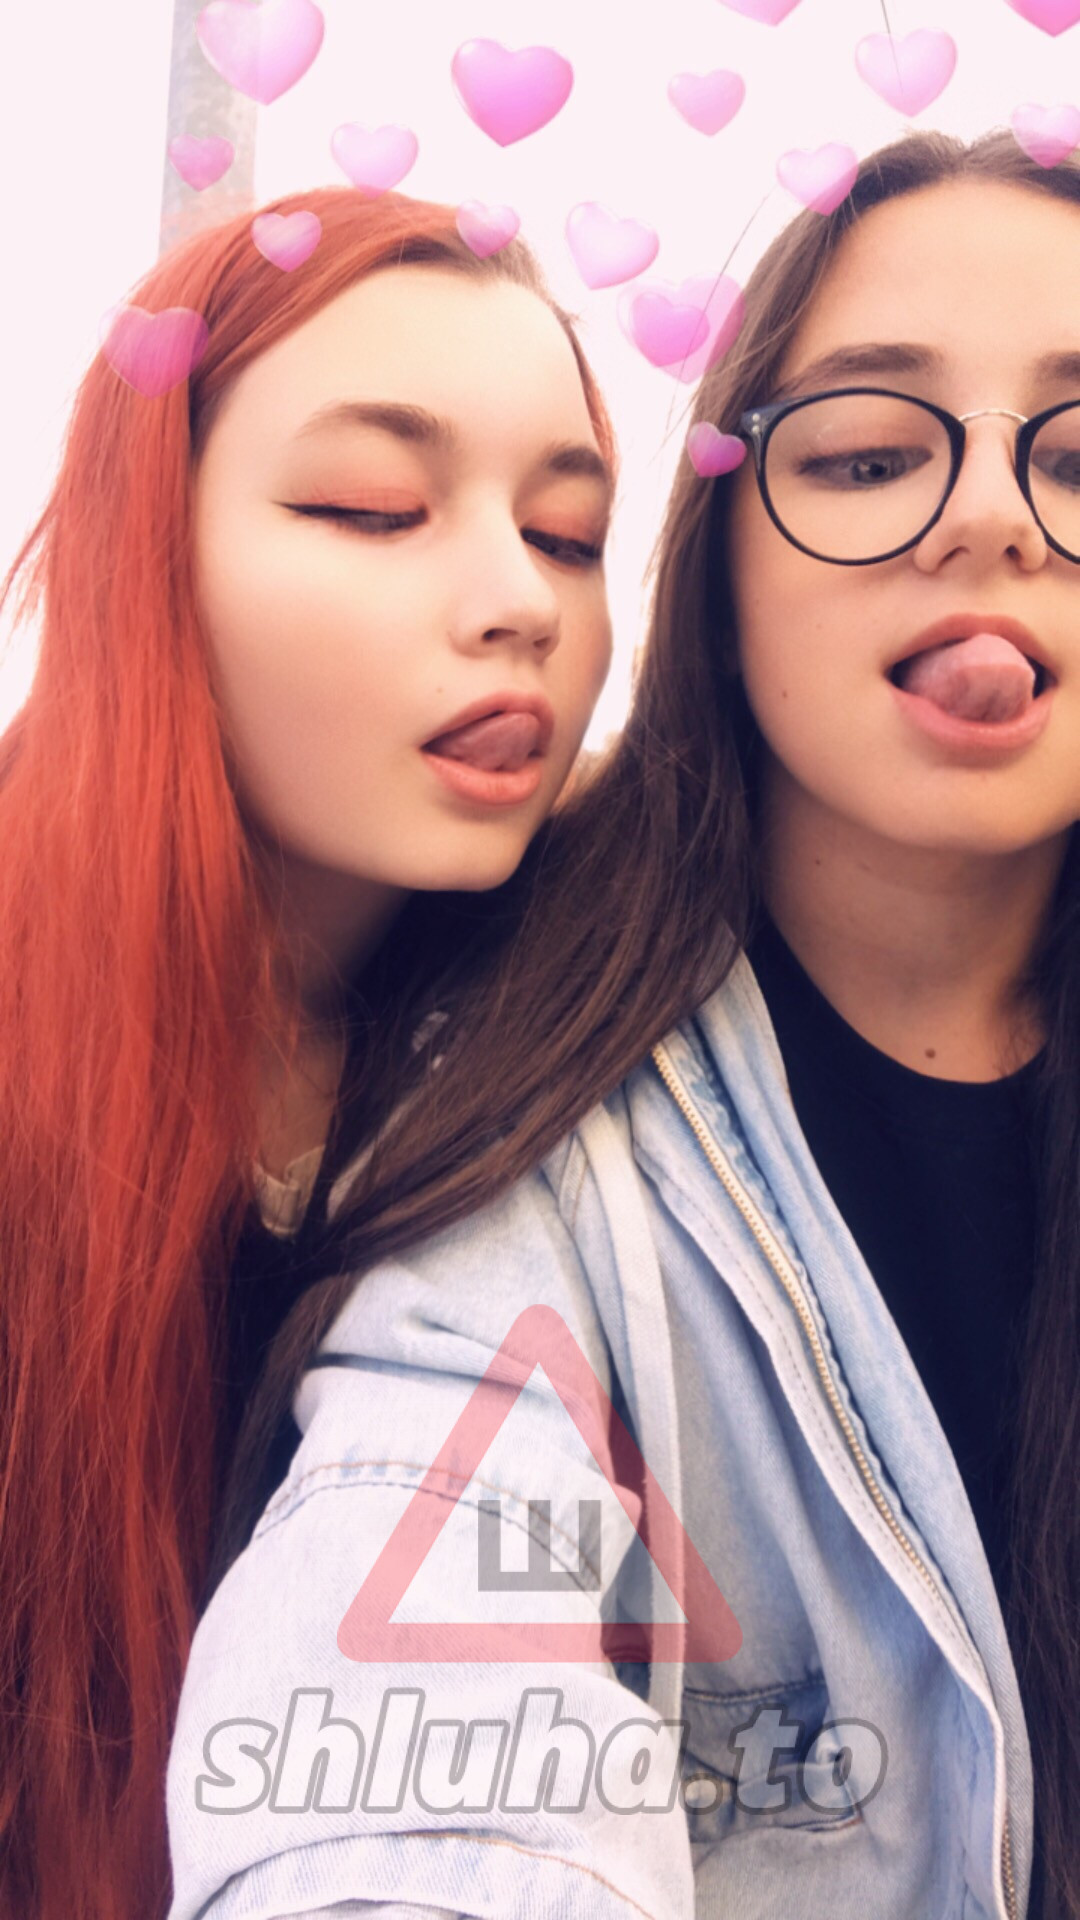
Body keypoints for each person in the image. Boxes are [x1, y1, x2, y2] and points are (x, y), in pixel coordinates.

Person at [164, 127, 1080, 1920]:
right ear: (714, 570)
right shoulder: (532, 1148)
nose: (990, 516)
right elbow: (408, 1667)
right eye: (871, 453)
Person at [0, 187, 616, 1920]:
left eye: (570, 534)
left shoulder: (592, 1048)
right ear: (147, 551)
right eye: (371, 509)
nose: (518, 601)